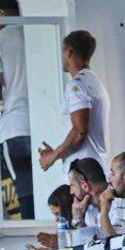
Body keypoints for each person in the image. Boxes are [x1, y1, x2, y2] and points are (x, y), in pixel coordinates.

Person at [38, 30, 108, 174]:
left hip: (83, 171)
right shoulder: (93, 81)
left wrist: (53, 156)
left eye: (62, 51)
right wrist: (59, 151)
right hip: (91, 167)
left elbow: (80, 132)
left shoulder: (77, 85)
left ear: (69, 52)